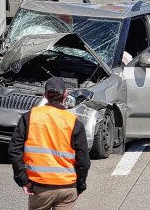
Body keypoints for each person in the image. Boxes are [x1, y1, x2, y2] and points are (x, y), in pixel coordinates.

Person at [9, 77, 90, 210]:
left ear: (45, 95)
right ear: (65, 94)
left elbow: (14, 150)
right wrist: (80, 185)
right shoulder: (74, 122)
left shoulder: (29, 117)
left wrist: (23, 180)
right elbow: (84, 161)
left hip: (40, 187)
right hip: (67, 187)